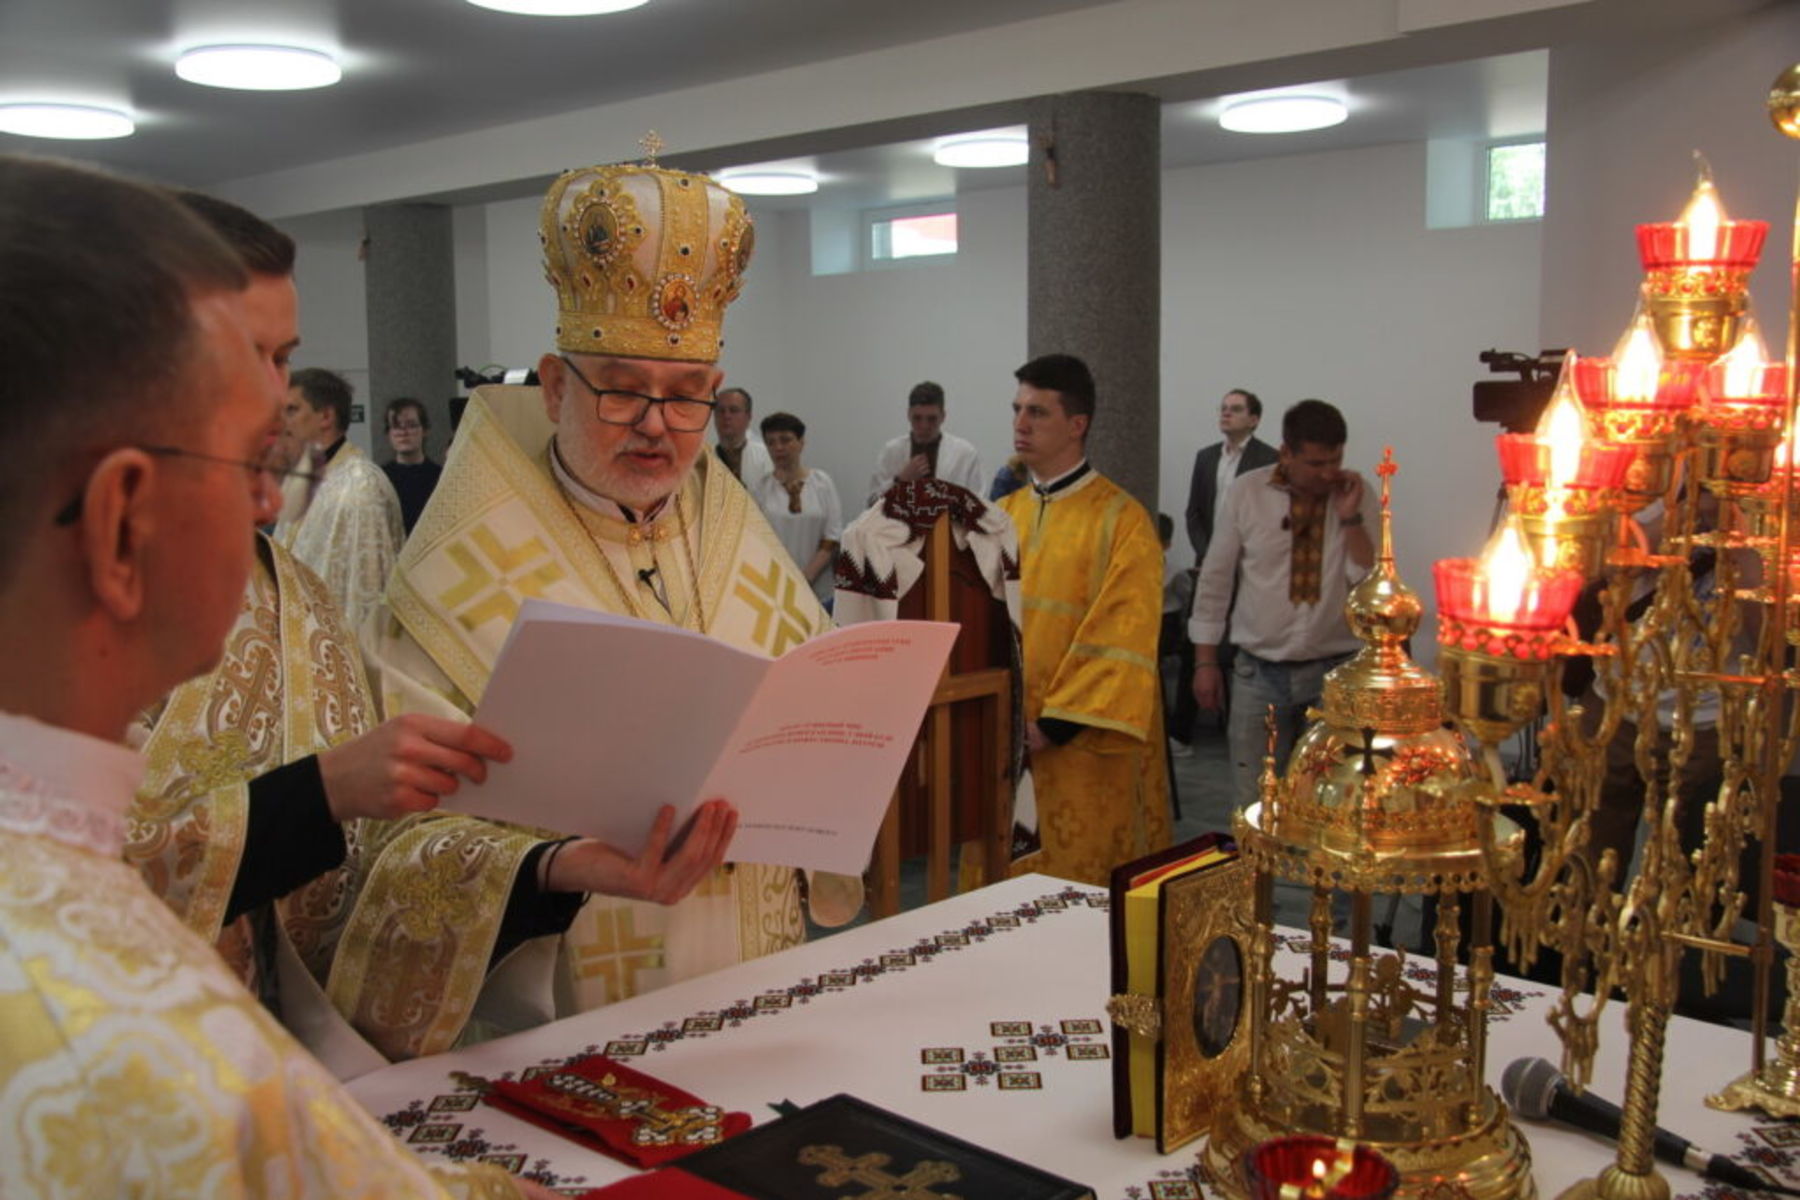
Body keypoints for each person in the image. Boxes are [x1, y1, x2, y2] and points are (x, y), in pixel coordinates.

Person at [0, 154, 547, 1200]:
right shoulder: (147, 1055)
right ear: (121, 524)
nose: (267, 504)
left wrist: (543, 874)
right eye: (252, 457)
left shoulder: (297, 602)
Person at [360, 159, 863, 1058]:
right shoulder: (454, 576)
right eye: (623, 388)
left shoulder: (731, 533)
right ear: (554, 385)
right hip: (566, 1004)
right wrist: (559, 865)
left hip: (749, 979)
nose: (658, 425)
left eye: (688, 396)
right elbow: (395, 842)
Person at [998, 353, 1170, 886]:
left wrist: (1053, 726)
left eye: (1038, 413)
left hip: (1083, 749)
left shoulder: (1122, 521)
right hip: (1007, 742)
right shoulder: (1001, 517)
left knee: (1084, 889)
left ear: (1078, 425)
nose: (1021, 424)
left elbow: (1123, 633)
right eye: (1017, 409)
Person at [1190, 398, 1376, 812]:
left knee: (1331, 808)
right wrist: (1204, 662)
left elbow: (1368, 585)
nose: (1327, 473)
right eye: (1315, 463)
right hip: (1258, 670)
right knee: (1256, 805)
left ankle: (1321, 881)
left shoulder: (1355, 494)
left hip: (1336, 671)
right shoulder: (1248, 491)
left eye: (1335, 460)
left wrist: (1349, 518)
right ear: (1286, 453)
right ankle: (1256, 878)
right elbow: (1215, 580)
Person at [278, 367, 405, 635]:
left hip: (336, 653)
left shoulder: (361, 487)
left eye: (291, 410)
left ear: (325, 416)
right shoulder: (301, 479)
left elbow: (367, 595)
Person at [753, 411, 844, 608]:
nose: (778, 448)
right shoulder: (761, 489)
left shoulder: (822, 483)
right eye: (771, 442)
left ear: (801, 442)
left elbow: (832, 536)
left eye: (785, 440)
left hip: (820, 590)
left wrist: (806, 577)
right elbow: (756, 540)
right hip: (776, 589)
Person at [1184, 388, 1277, 566]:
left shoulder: (1270, 459)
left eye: (1235, 409)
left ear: (1253, 420)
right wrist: (1205, 553)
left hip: (1249, 562)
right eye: (1223, 408)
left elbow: (1270, 516)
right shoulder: (1205, 457)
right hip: (1208, 558)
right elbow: (1194, 512)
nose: (1226, 413)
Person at [868, 380, 986, 503]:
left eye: (932, 419)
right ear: (908, 415)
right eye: (917, 418)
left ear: (943, 416)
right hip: (896, 522)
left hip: (950, 521)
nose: (924, 426)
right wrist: (900, 481)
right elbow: (871, 505)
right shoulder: (891, 452)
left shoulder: (964, 454)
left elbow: (979, 507)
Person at [382, 395, 444, 534]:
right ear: (389, 434)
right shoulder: (380, 479)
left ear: (425, 431)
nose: (404, 432)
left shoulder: (442, 478)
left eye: (411, 425)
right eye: (396, 426)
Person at [712, 385, 772, 490]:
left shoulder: (766, 456)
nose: (726, 416)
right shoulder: (705, 457)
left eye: (733, 410)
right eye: (721, 410)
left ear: (748, 417)